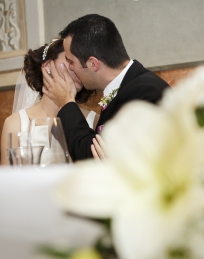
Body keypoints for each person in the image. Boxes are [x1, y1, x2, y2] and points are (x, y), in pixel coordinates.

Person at [41, 14, 170, 161]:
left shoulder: (146, 93)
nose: (70, 68)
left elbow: (91, 158)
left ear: (93, 64)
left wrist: (66, 101)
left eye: (71, 62)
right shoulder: (130, 85)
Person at [0, 39, 99, 165]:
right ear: (47, 66)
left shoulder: (94, 120)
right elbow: (7, 180)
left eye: (81, 62)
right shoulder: (15, 123)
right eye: (70, 60)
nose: (78, 67)